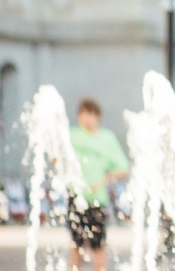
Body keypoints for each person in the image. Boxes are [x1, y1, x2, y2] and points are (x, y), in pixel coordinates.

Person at [67, 99, 129, 271]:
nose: (86, 119)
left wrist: (104, 179)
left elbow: (124, 168)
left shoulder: (106, 138)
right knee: (76, 244)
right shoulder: (72, 135)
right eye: (83, 115)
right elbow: (58, 157)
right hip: (76, 195)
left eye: (90, 115)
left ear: (97, 117)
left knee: (98, 245)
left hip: (97, 199)